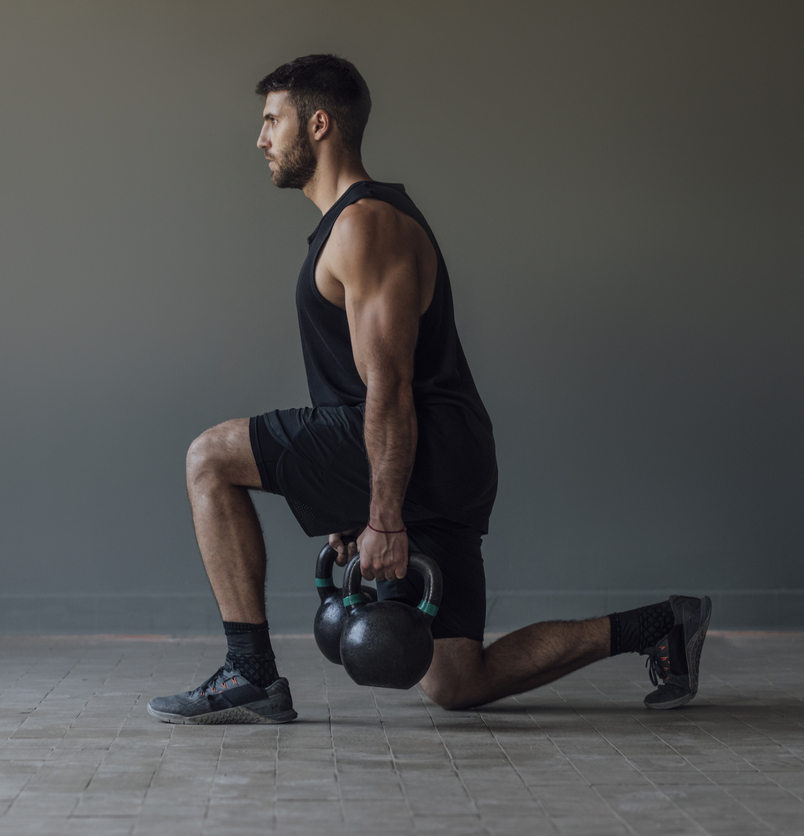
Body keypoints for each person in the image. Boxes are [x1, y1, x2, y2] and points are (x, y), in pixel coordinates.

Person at [147, 54, 711, 724]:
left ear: (319, 124)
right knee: (455, 680)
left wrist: (382, 515)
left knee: (208, 459)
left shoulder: (365, 226)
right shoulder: (352, 225)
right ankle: (660, 626)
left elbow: (387, 385)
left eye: (273, 120)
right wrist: (349, 498)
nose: (261, 138)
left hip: (420, 444)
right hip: (443, 454)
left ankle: (250, 671)